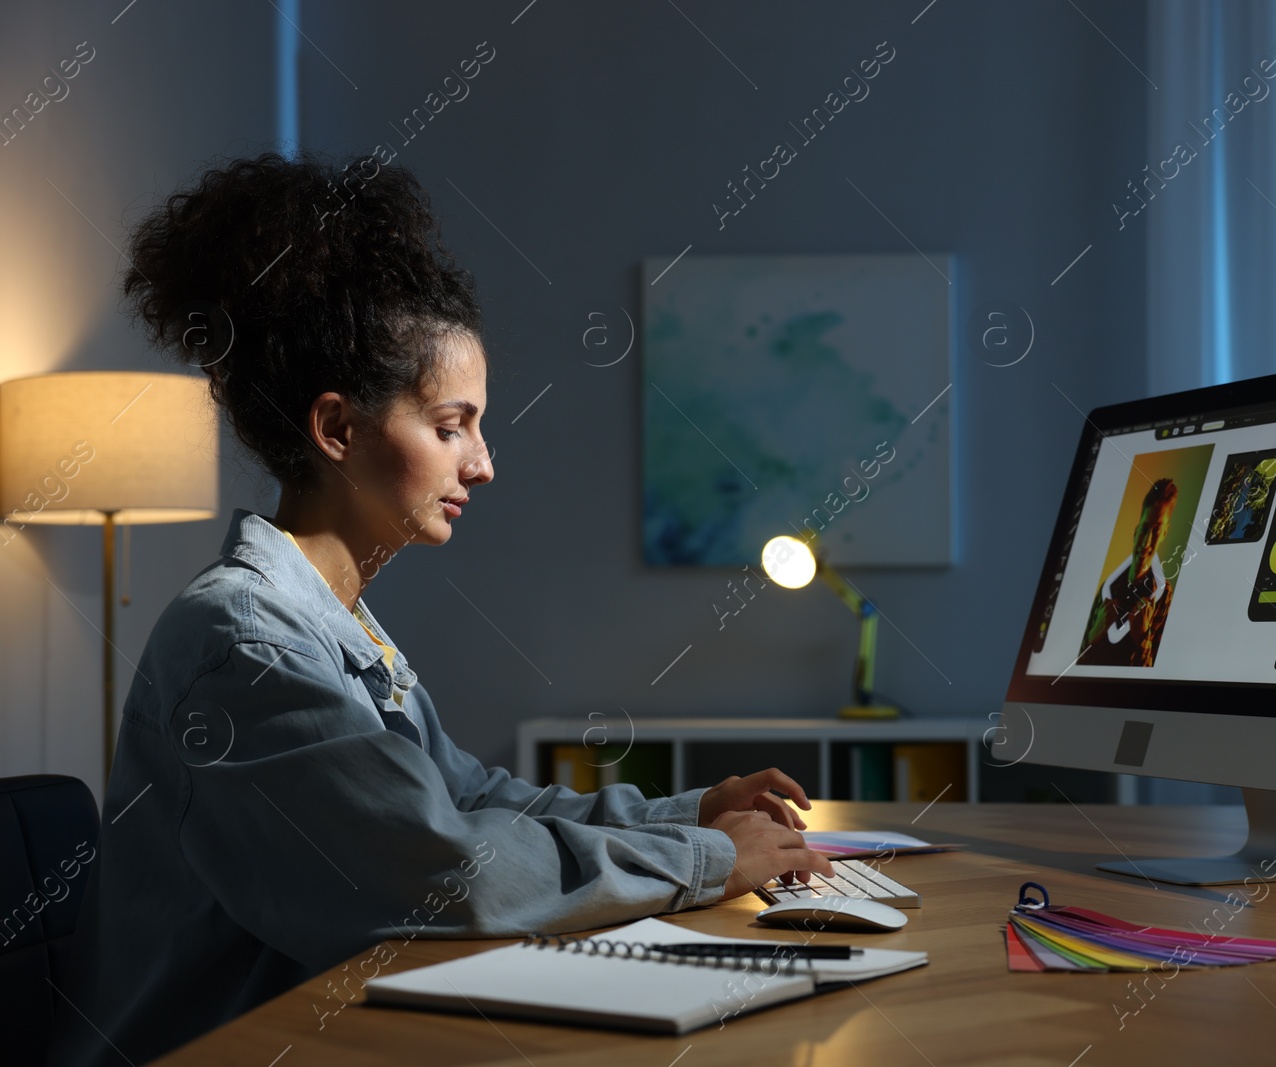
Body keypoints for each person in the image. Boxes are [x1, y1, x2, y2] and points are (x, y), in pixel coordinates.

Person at [52, 152, 833, 1066]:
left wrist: (688, 814)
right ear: (338, 429)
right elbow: (443, 872)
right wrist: (707, 863)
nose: (483, 463)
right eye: (451, 425)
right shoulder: (243, 646)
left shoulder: (333, 626)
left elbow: (473, 798)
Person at [1079, 478, 1180, 667]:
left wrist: (1142, 637)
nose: (1147, 541)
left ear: (1165, 533)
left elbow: (1153, 678)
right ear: (1135, 532)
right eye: (1144, 529)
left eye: (1157, 530)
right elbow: (1078, 660)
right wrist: (1093, 635)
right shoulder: (1108, 588)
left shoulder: (1163, 595)